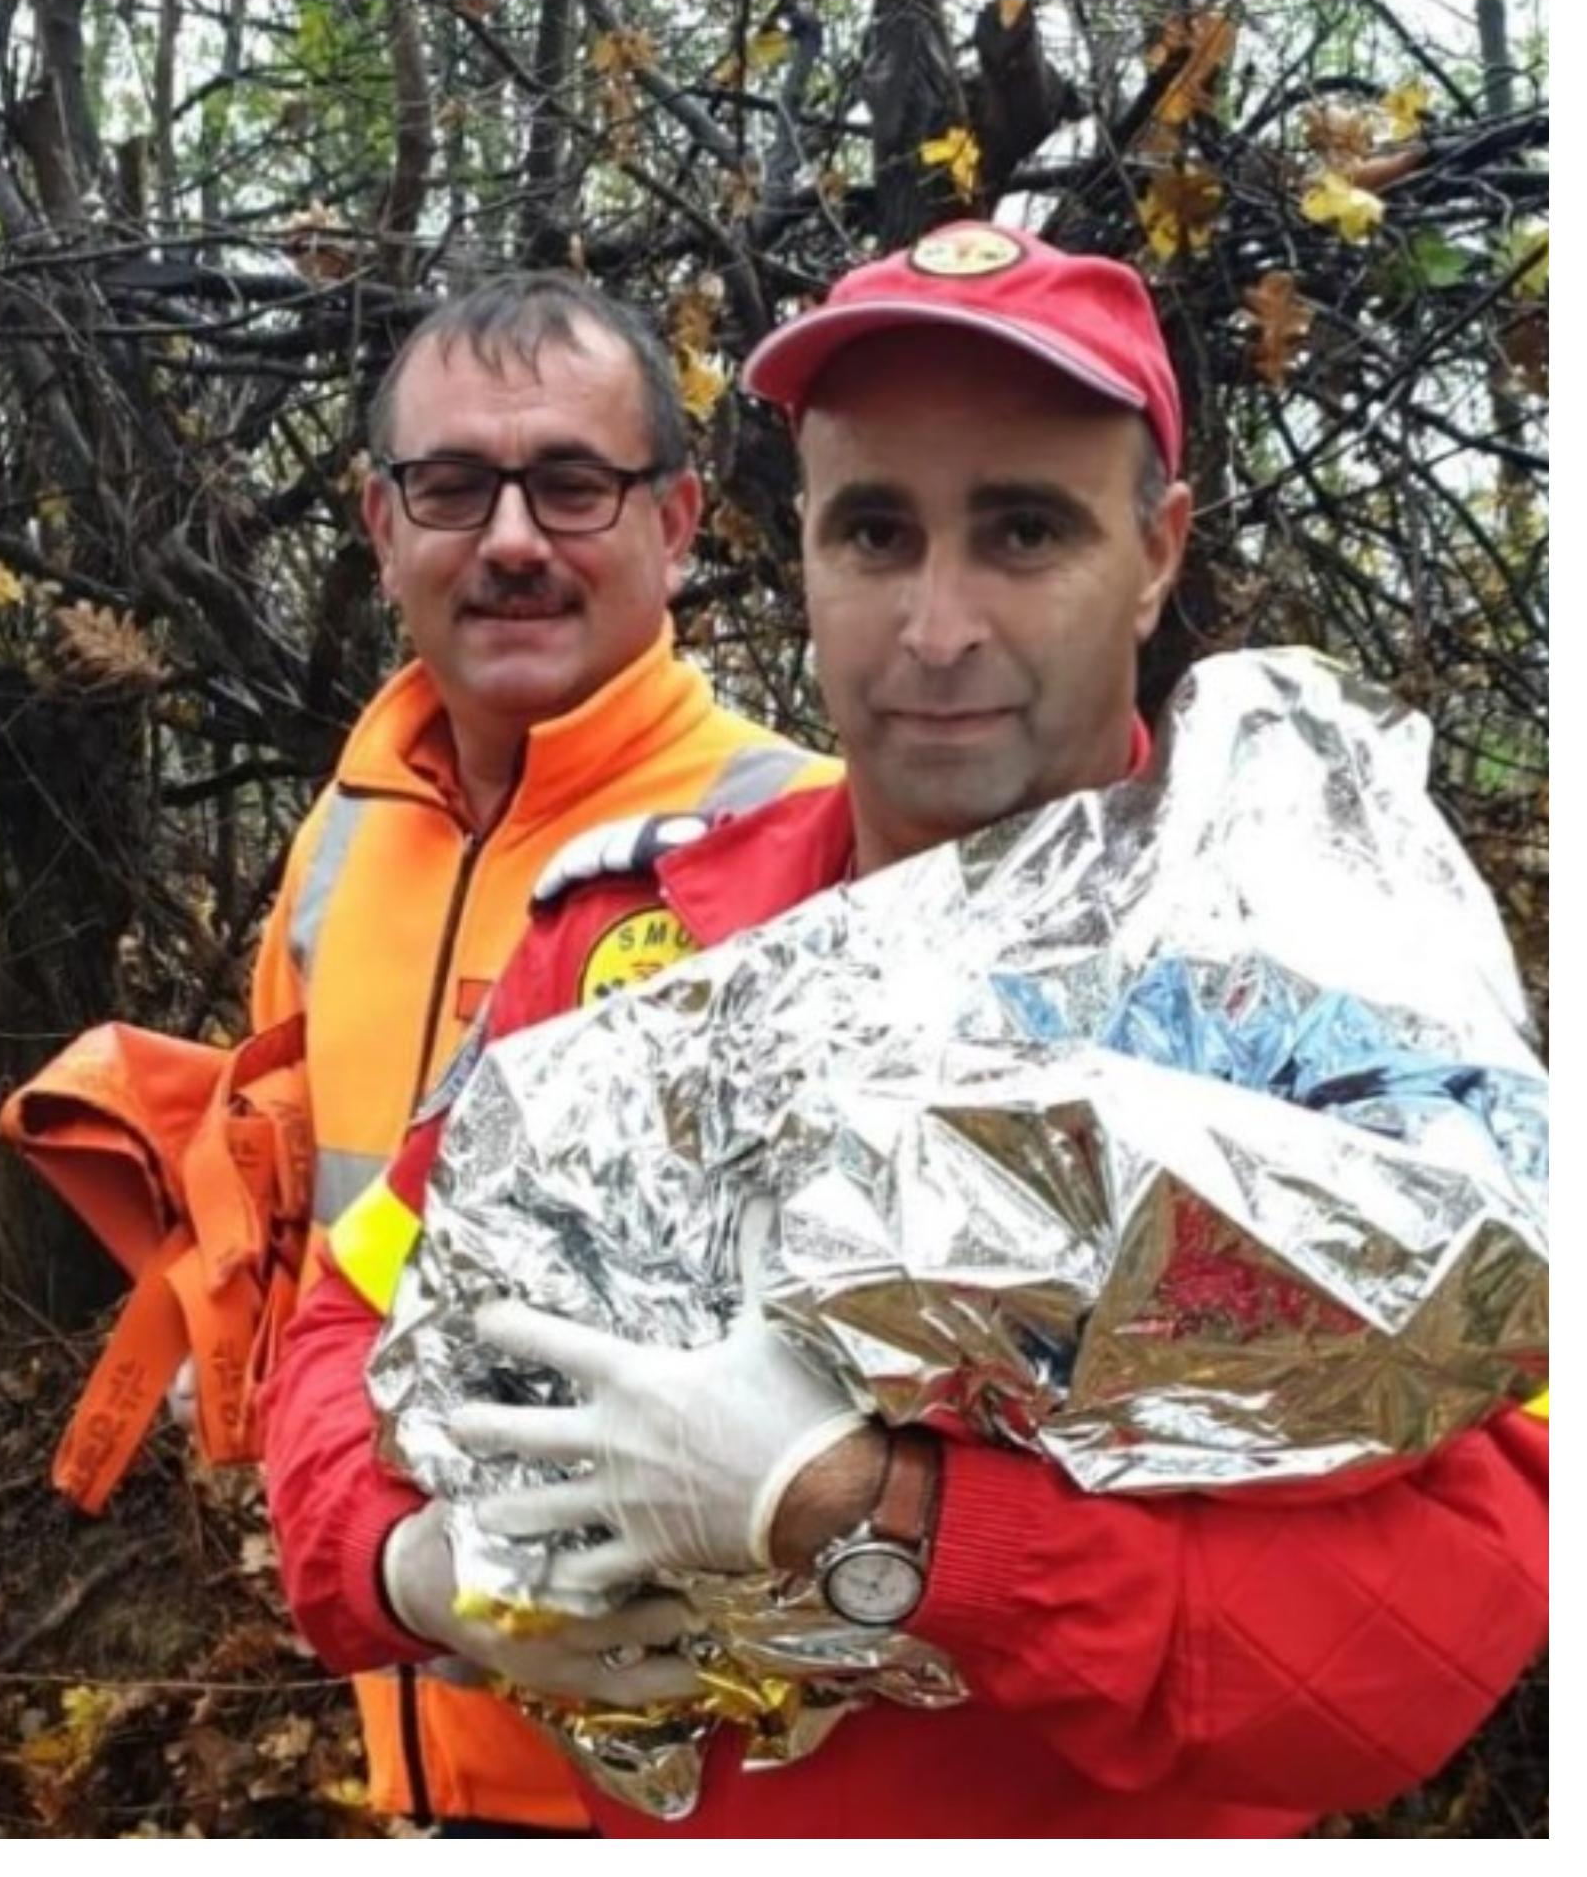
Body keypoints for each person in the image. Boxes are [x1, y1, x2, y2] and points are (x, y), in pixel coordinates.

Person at [262, 220, 1550, 1835]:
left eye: (1020, 533)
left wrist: (861, 1517)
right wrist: (406, 1566)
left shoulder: (1301, 972)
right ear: (794, 545)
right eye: (873, 533)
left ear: (1153, 550)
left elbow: (1427, 1651)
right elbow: (340, 1326)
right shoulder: (628, 943)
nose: (933, 627)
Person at [247, 272, 829, 1832]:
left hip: (711, 1782)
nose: (511, 541)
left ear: (680, 519)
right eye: (452, 487)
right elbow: (310, 1248)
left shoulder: (807, 849)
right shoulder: (342, 846)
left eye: (572, 483)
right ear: (380, 530)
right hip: (414, 1739)